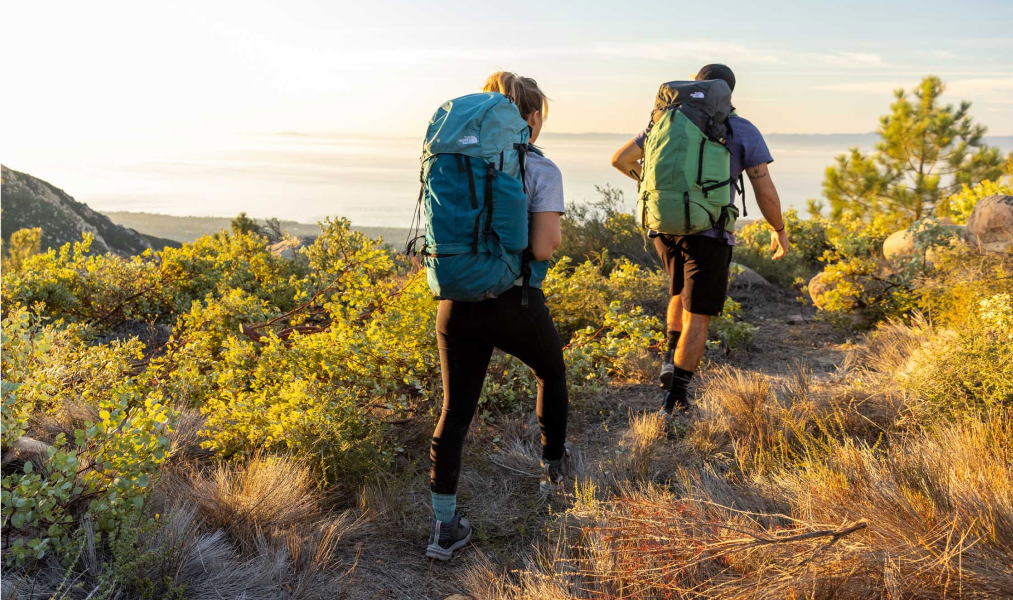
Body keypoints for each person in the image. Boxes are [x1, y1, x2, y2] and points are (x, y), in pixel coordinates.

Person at [426, 71, 573, 561]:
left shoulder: (458, 159)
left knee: (456, 411)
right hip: (515, 301)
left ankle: (444, 527)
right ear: (530, 118)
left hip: (456, 304)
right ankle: (554, 474)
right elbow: (543, 247)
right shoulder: (540, 168)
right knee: (551, 372)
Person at [611, 64, 790, 422]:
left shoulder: (663, 123)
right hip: (708, 233)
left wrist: (653, 184)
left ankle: (668, 360)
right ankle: (675, 402)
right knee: (700, 315)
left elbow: (620, 160)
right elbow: (763, 187)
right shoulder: (738, 128)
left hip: (665, 227)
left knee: (678, 292)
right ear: (729, 92)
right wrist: (778, 228)